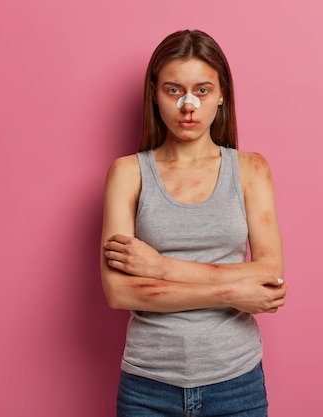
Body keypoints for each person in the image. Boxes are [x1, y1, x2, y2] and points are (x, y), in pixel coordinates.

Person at [100, 29, 287, 417]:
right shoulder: (128, 173)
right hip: (148, 387)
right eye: (174, 90)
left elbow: (268, 275)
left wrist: (162, 267)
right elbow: (119, 292)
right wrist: (231, 292)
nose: (188, 105)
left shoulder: (251, 170)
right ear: (155, 94)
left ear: (222, 95)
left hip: (236, 384)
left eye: (202, 90)